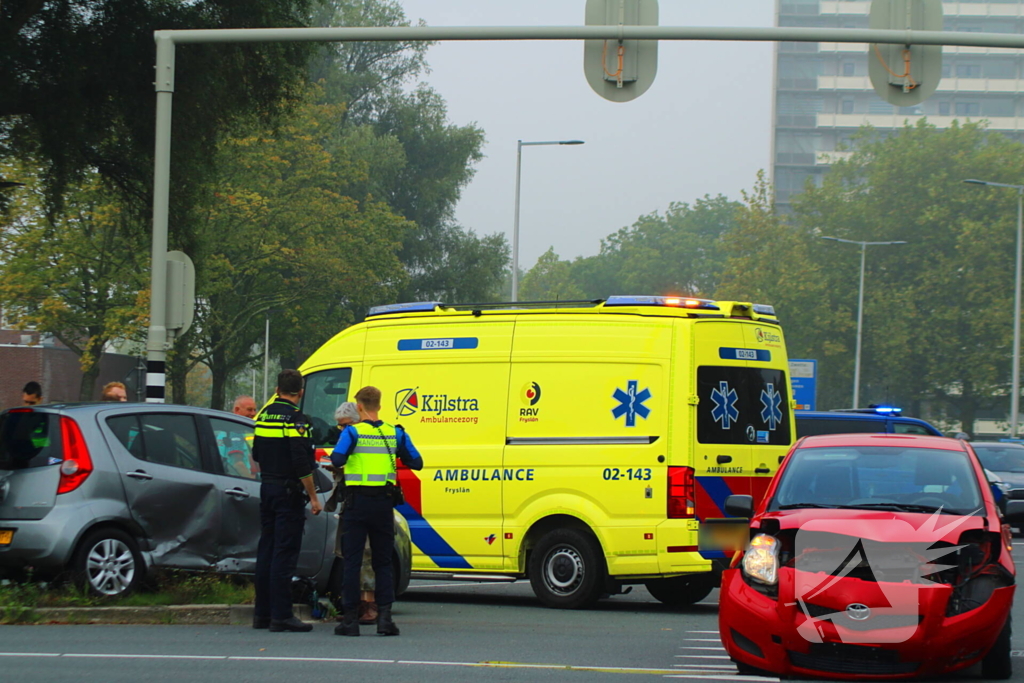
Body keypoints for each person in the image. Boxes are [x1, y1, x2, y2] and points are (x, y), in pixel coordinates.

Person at [331, 386, 423, 637]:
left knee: (352, 562)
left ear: (359, 407)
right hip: (383, 505)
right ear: (379, 406)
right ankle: (385, 620)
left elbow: (337, 460)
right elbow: (417, 462)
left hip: (356, 504)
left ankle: (350, 621)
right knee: (383, 562)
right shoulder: (395, 433)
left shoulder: (352, 432)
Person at [252, 370, 322, 633]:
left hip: (267, 488)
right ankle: (282, 615)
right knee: (285, 552)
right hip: (288, 492)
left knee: (267, 550)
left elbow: (257, 452)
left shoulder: (264, 415)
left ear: (277, 388)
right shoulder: (296, 419)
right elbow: (301, 462)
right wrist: (313, 496)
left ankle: (262, 614)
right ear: (300, 393)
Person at [324, 402, 378, 625]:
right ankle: (354, 604)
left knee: (366, 554)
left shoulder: (362, 438)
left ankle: (369, 604)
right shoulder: (349, 437)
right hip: (350, 503)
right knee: (348, 553)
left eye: (346, 425)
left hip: (364, 503)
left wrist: (339, 467)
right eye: (339, 427)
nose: (342, 430)